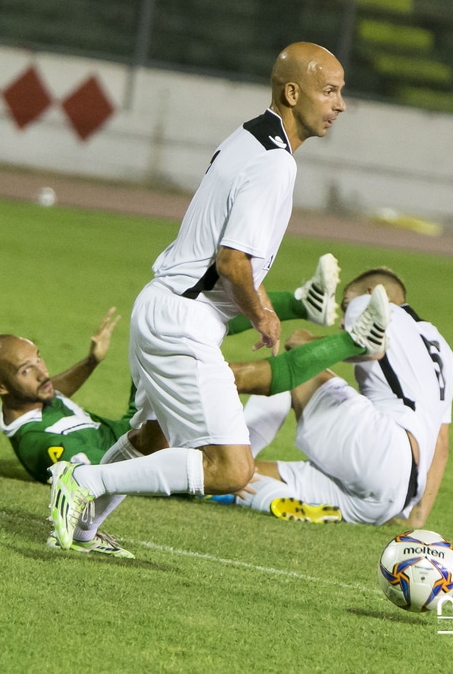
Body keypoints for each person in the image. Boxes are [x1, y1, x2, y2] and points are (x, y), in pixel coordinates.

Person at [44, 41, 354, 552]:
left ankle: (81, 527)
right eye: (330, 91)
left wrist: (261, 301)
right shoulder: (276, 163)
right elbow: (233, 261)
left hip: (164, 307)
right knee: (232, 468)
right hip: (181, 323)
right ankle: (84, 481)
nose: (340, 104)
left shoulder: (248, 134)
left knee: (154, 437)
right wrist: (263, 317)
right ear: (292, 92)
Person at [0, 272, 390, 555]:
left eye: (38, 360)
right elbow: (79, 465)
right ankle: (345, 333)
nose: (42, 373)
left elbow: (53, 393)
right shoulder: (40, 443)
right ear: (1, 387)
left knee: (225, 355)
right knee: (236, 402)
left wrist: (89, 363)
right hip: (162, 446)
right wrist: (210, 467)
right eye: (27, 370)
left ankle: (312, 309)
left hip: (146, 426)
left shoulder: (37, 403)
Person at [236, 268, 453, 528]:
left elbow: (367, 344)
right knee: (253, 476)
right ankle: (240, 481)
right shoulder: (441, 349)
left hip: (382, 448)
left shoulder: (372, 304)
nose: (343, 321)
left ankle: (233, 454)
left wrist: (304, 339)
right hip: (395, 497)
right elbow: (441, 444)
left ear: (372, 293)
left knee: (295, 364)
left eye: (346, 305)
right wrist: (416, 519)